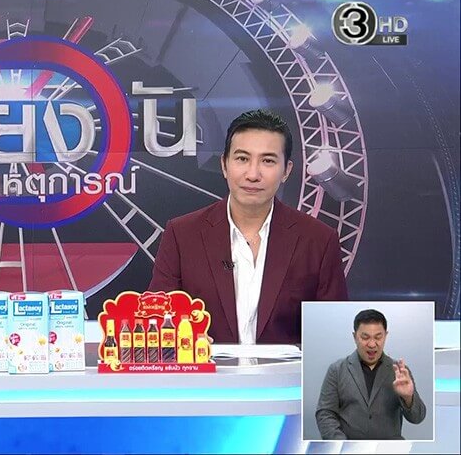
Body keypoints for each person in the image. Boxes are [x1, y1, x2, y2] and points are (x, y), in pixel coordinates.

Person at [148, 109, 347, 344]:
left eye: (268, 161)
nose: (253, 174)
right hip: (208, 367)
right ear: (224, 165)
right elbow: (156, 320)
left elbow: (332, 337)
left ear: (286, 171)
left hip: (288, 369)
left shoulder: (318, 240)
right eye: (242, 159)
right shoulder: (182, 235)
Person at [315, 309, 426, 440]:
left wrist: (408, 398)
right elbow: (325, 413)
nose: (372, 344)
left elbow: (417, 418)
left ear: (385, 336)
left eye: (378, 337)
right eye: (365, 337)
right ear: (355, 337)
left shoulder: (399, 371)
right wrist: (343, 445)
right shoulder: (337, 370)